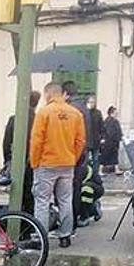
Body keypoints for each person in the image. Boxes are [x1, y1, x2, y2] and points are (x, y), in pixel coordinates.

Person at [30, 82, 86, 248]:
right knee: (65, 199)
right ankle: (65, 235)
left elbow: (36, 141)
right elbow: (80, 141)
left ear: (48, 94)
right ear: (62, 94)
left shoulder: (44, 113)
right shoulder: (76, 114)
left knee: (42, 201)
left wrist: (35, 162)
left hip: (47, 163)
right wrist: (73, 158)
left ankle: (40, 237)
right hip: (67, 163)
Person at [2, 90, 42, 215]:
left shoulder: (14, 119)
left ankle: (16, 220)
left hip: (17, 162)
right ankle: (29, 225)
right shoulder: (39, 119)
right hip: (33, 162)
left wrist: (7, 160)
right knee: (30, 195)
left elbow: (6, 142)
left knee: (16, 194)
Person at [62, 80, 90, 232]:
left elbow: (73, 137)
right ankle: (72, 224)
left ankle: (67, 226)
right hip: (82, 156)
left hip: (71, 156)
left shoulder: (70, 110)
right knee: (75, 190)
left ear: (65, 94)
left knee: (66, 194)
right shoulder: (84, 108)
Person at [85, 95, 104, 176]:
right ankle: (85, 173)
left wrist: (102, 137)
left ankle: (95, 173)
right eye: (90, 102)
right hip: (86, 140)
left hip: (96, 140)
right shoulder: (84, 113)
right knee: (85, 159)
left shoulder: (98, 113)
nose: (91, 104)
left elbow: (101, 126)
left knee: (96, 158)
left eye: (93, 102)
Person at [101, 106, 123, 173]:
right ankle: (101, 170)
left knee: (112, 156)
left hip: (111, 142)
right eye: (116, 112)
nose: (117, 114)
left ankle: (116, 169)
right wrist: (118, 137)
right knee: (107, 156)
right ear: (112, 112)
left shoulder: (108, 120)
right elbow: (111, 132)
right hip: (111, 142)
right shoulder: (112, 121)